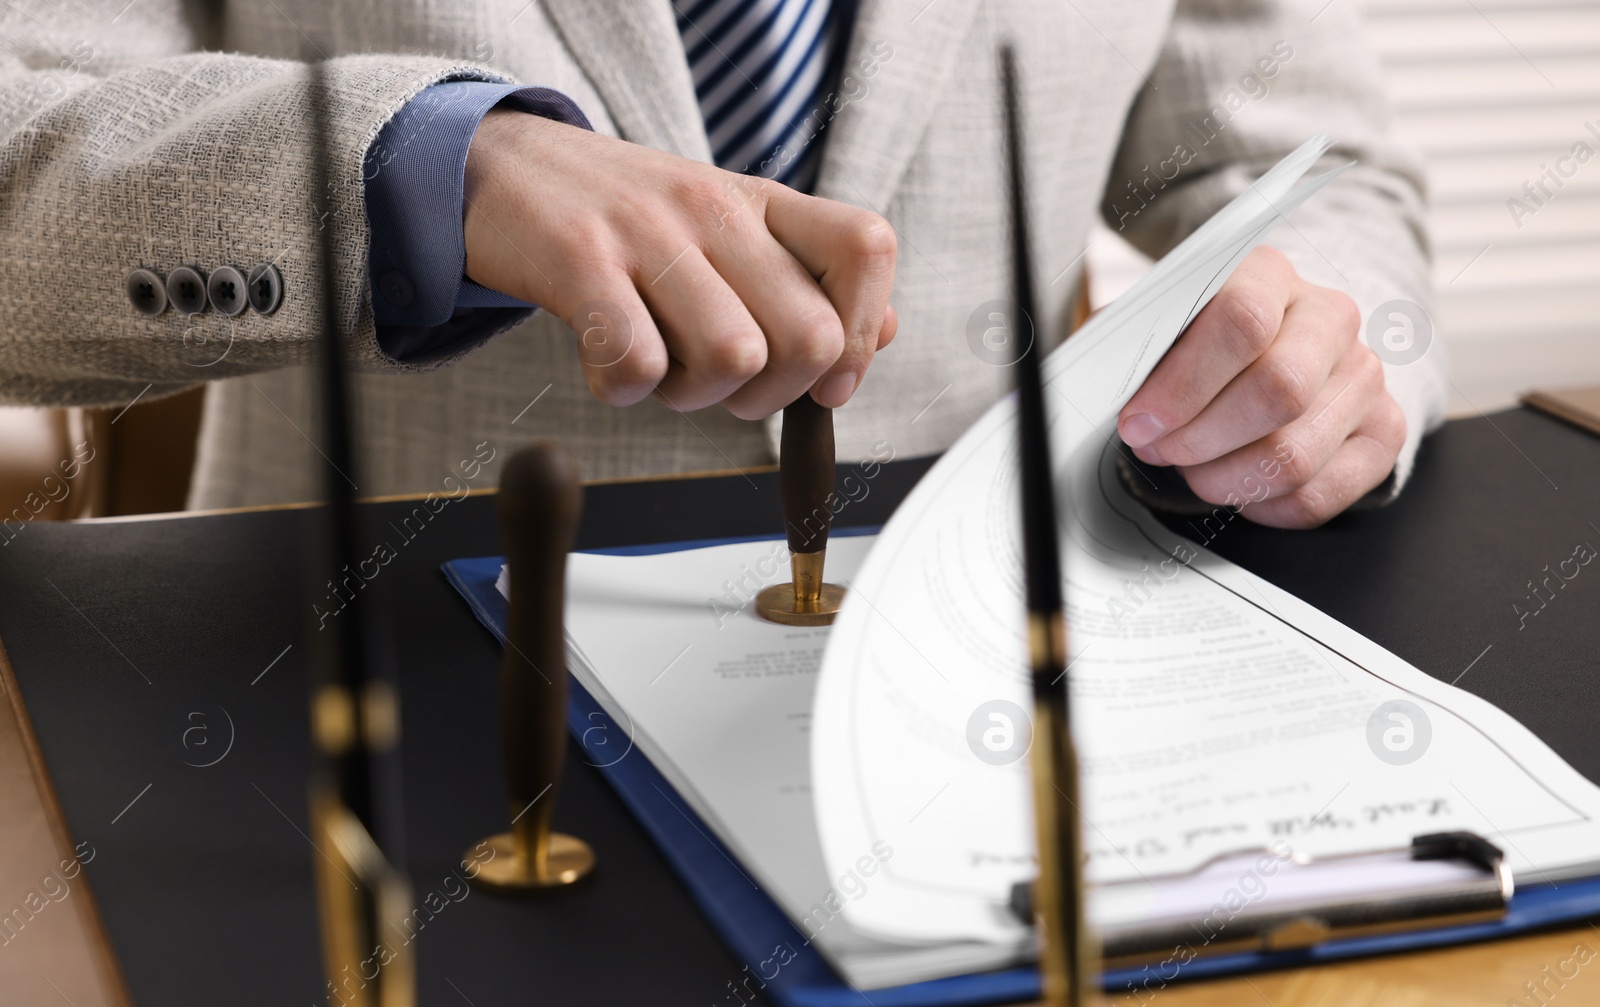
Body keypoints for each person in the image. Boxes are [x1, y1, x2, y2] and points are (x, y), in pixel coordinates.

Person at [0, 1, 1443, 527]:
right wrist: (420, 170)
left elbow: (1321, 171)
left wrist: (1326, 334)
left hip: (972, 736)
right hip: (378, 730)